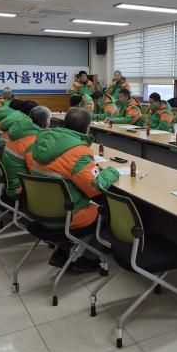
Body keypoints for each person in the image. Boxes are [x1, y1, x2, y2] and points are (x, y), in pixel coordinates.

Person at [29, 108, 120, 271]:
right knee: (112, 212)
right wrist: (112, 171)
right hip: (66, 217)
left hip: (39, 210)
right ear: (87, 128)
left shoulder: (42, 142)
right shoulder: (79, 152)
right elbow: (95, 188)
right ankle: (89, 259)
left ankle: (62, 251)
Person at [1, 105, 51, 197]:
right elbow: (37, 172)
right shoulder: (33, 141)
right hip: (19, 187)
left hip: (12, 180)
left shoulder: (20, 131)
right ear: (46, 123)